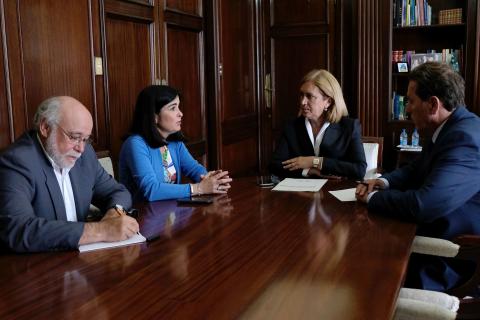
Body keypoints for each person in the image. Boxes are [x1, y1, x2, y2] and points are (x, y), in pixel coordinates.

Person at [356, 62, 480, 292]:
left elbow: (424, 204)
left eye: (411, 101)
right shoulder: (450, 128)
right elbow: (416, 169)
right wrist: (383, 182)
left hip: (453, 255)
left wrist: (371, 198)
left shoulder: (465, 138)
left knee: (369, 275)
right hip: (436, 234)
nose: (408, 110)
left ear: (433, 104)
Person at [0, 96, 139, 253]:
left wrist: (114, 213)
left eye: (85, 139)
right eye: (74, 137)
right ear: (45, 127)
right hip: (35, 267)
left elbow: (118, 192)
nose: (80, 148)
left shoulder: (85, 156)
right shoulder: (17, 161)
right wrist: (101, 230)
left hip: (79, 260)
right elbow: (18, 230)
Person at [119, 85, 232, 202]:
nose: (180, 113)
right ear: (154, 117)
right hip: (142, 216)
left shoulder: (174, 142)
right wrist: (198, 188)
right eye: (173, 108)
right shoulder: (135, 144)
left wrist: (213, 181)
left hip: (169, 213)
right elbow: (151, 190)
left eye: (178, 107)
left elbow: (194, 169)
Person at [269, 69, 367, 180]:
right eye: (301, 95)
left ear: (328, 102)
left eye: (309, 96)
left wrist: (314, 161)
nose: (303, 102)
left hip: (335, 191)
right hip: (301, 192)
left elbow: (359, 170)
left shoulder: (349, 127)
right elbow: (275, 165)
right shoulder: (291, 126)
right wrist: (308, 170)